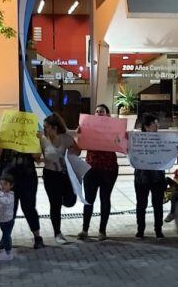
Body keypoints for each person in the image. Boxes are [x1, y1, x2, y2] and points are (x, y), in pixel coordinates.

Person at [0, 135, 45, 249]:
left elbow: (37, 158)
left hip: (27, 178)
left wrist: (36, 140)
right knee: (8, 209)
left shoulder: (30, 134)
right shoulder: (4, 133)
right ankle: (5, 237)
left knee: (29, 208)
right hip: (7, 179)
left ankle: (37, 238)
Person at [78, 104, 119, 241]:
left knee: (105, 199)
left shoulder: (114, 128)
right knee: (89, 199)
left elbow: (120, 143)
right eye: (96, 111)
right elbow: (80, 146)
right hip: (91, 167)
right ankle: (84, 229)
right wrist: (80, 134)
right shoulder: (88, 127)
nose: (98, 113)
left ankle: (102, 231)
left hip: (108, 169)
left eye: (101, 111)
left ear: (107, 114)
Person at [39, 113, 81, 244]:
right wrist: (40, 159)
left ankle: (61, 199)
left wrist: (69, 157)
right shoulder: (42, 139)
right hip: (50, 175)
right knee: (54, 204)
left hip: (64, 174)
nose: (44, 129)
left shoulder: (65, 138)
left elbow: (78, 150)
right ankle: (57, 233)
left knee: (70, 200)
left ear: (55, 128)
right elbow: (37, 155)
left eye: (47, 127)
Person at [133, 113, 168, 239]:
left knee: (158, 203)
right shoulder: (137, 139)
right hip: (142, 176)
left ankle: (158, 229)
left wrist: (174, 149)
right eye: (155, 123)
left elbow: (167, 152)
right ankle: (140, 229)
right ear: (147, 127)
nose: (157, 126)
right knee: (141, 203)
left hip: (157, 176)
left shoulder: (162, 139)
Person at [0, 174, 16, 261]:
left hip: (8, 221)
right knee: (6, 236)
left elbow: (4, 201)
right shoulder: (4, 193)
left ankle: (8, 253)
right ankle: (7, 251)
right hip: (2, 220)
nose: (2, 186)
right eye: (1, 184)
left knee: (6, 237)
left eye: (5, 184)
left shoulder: (11, 196)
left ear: (11, 185)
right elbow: (0, 193)